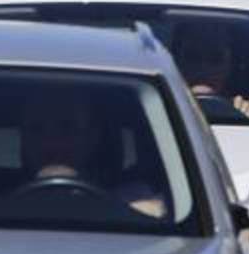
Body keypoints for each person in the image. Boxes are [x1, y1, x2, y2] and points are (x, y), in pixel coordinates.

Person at [19, 93, 167, 219]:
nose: (51, 142)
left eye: (67, 127)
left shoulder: (135, 198)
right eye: (36, 129)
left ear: (93, 137)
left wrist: (146, 211)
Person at [174, 25, 249, 121]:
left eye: (215, 59)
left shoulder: (244, 114)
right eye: (192, 56)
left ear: (231, 66)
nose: (204, 69)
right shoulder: (160, 110)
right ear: (175, 62)